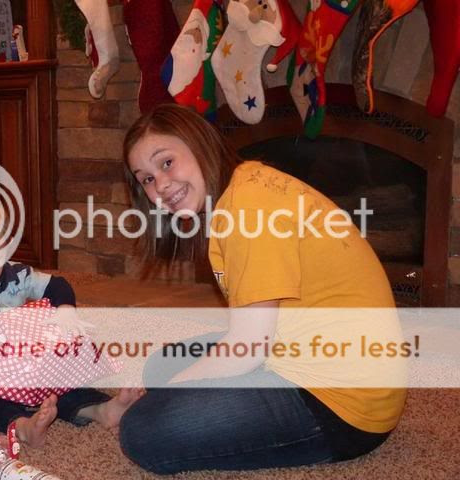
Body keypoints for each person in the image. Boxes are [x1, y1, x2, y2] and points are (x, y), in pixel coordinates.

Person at [118, 103, 406, 474]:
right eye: (146, 179)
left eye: (167, 162)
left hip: (343, 406)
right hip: (305, 354)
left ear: (200, 143)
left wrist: (177, 390)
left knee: (142, 431)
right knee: (162, 366)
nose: (161, 185)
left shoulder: (247, 211)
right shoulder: (245, 186)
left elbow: (248, 347)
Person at [0, 197, 140, 447]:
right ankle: (24, 428)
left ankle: (101, 409)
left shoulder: (18, 275)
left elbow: (56, 285)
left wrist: (65, 309)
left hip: (22, 362)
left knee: (58, 381)